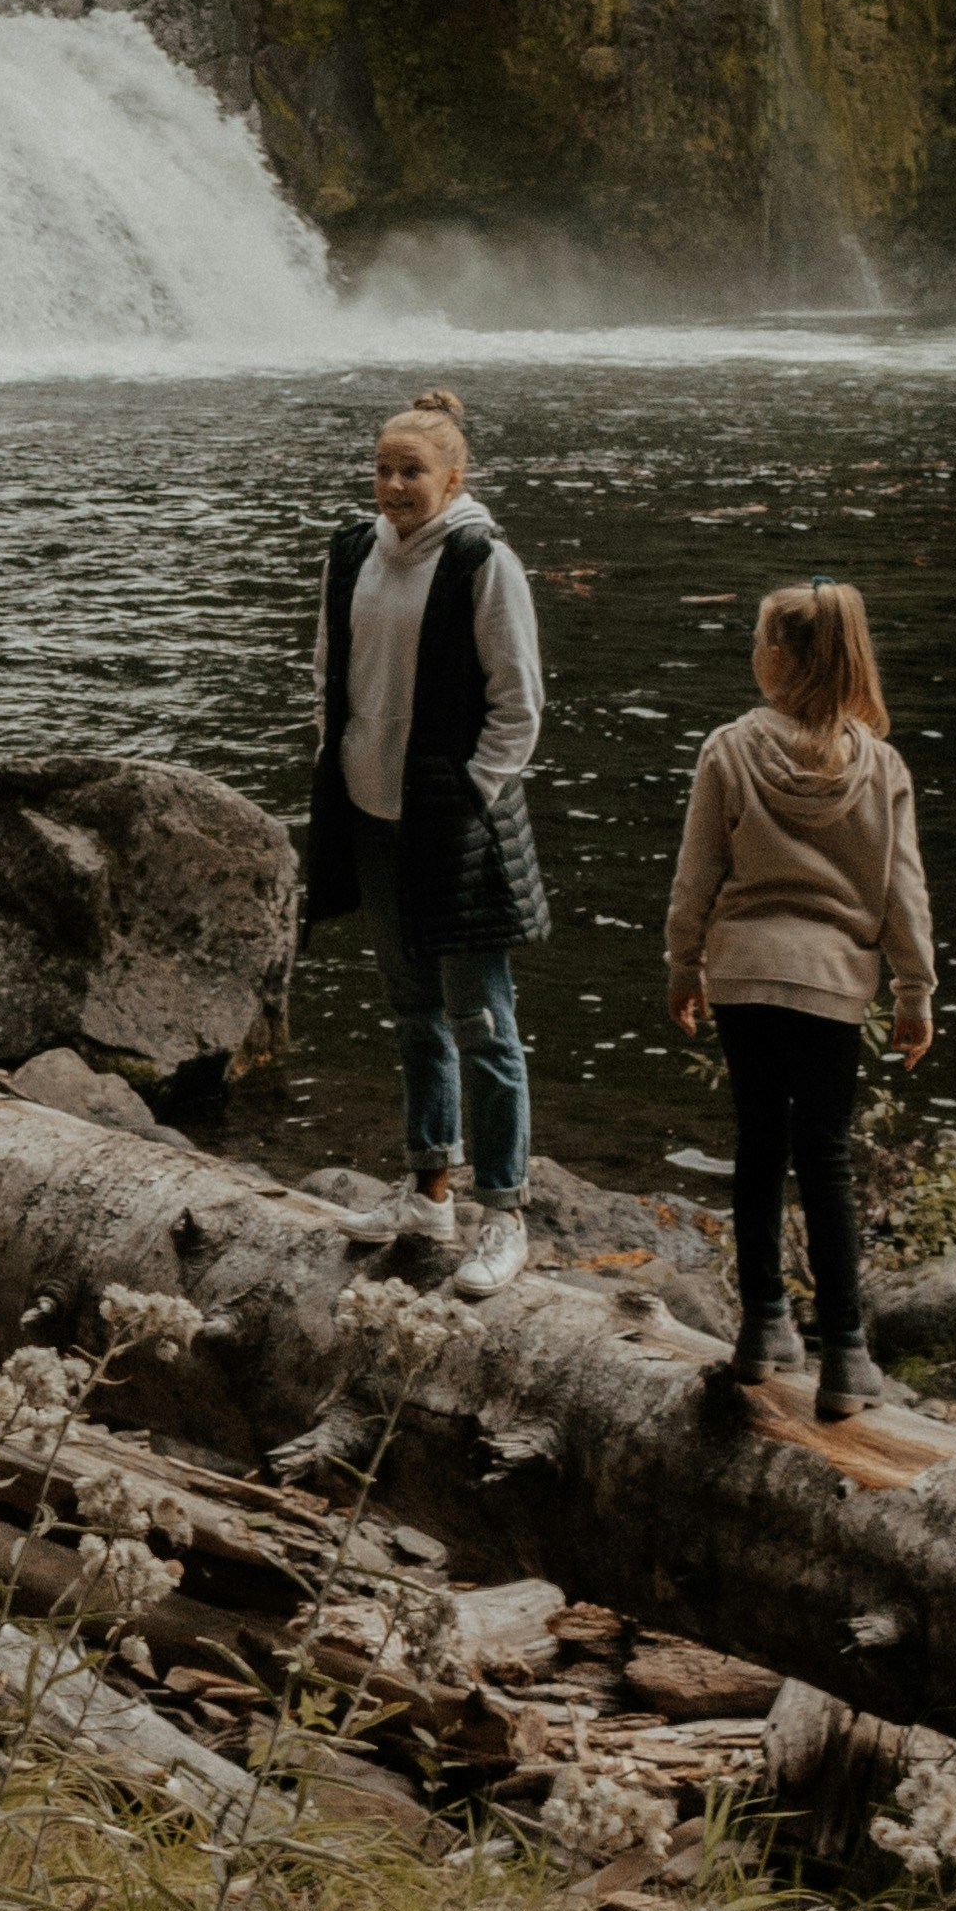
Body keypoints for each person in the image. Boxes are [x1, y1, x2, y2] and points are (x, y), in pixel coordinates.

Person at [663, 577, 934, 1421]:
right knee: (826, 1159)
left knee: (757, 1148)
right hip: (834, 990)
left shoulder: (729, 750)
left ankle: (761, 1329)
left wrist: (683, 966)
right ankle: (846, 1357)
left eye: (757, 642)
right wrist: (916, 990)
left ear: (777, 658)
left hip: (745, 978)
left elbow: (696, 874)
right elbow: (904, 893)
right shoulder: (881, 766)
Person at [299, 387, 550, 1295]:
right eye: (384, 468)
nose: (395, 485)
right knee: (413, 1013)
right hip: (370, 814)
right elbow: (332, 669)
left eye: (413, 470)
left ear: (453, 476)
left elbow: (519, 707)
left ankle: (504, 1215)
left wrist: (468, 796)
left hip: (452, 827)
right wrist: (342, 771)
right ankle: (428, 1189)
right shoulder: (352, 552)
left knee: (483, 1023)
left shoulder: (484, 561)